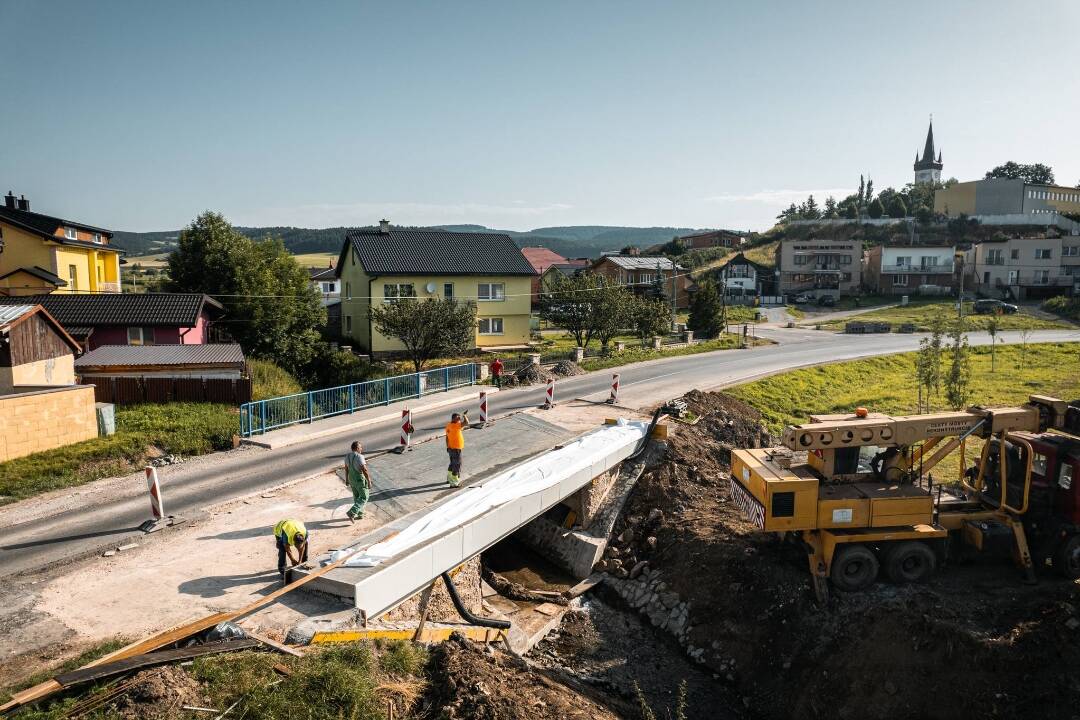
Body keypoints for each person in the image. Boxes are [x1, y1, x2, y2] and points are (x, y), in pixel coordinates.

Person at [344, 440, 373, 522]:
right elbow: (365, 470)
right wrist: (369, 481)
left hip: (351, 478)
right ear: (357, 448)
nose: (361, 449)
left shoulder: (347, 456)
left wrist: (347, 480)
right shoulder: (359, 456)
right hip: (359, 479)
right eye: (360, 447)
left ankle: (360, 514)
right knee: (364, 497)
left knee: (356, 497)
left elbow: (346, 469)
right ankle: (352, 512)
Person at [273, 519, 308, 584]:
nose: (299, 549)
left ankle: (304, 561)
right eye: (297, 547)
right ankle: (282, 570)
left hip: (295, 524)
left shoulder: (305, 533)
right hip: (280, 528)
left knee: (306, 544)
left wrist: (299, 561)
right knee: (282, 548)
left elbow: (302, 548)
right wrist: (292, 560)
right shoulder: (287, 536)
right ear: (293, 543)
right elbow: (288, 549)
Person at [445, 410, 469, 487]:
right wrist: (464, 415)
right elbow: (466, 423)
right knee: (457, 465)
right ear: (454, 419)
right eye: (458, 418)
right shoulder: (456, 426)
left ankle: (449, 478)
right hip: (456, 449)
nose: (459, 420)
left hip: (451, 448)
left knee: (452, 463)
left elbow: (447, 437)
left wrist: (448, 446)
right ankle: (454, 482)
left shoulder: (448, 425)